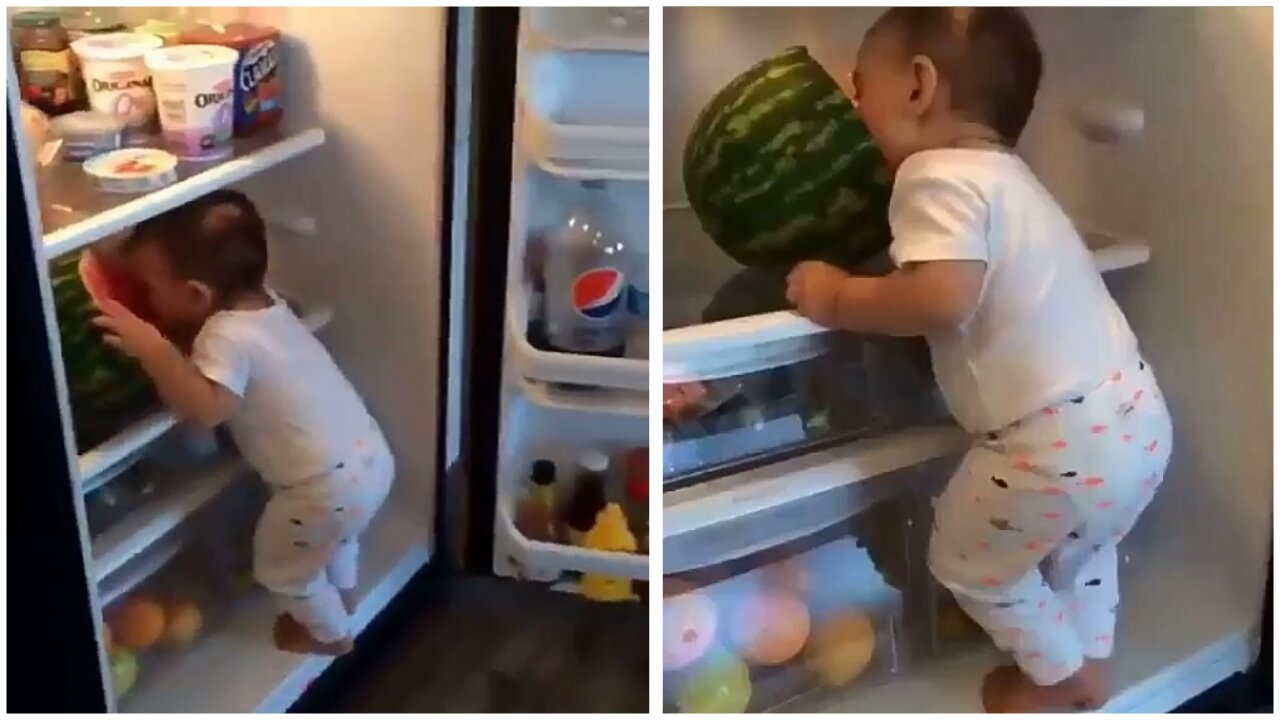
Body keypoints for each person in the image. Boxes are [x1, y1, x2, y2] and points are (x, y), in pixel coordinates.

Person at [785, 8, 1172, 712]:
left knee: (965, 561)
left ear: (918, 88)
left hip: (1052, 439)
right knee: (1087, 548)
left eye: (858, 85)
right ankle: (1089, 659)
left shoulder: (933, 177)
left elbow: (942, 297)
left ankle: (1055, 677)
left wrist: (837, 296)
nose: (851, 104)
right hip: (1134, 417)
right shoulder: (1011, 179)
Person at [93, 189, 393, 656]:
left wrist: (155, 350)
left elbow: (209, 409)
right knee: (336, 538)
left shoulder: (223, 335)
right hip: (367, 458)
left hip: (317, 488)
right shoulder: (266, 305)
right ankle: (345, 596)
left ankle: (329, 633)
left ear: (196, 295)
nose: (146, 298)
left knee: (280, 569)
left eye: (150, 288)